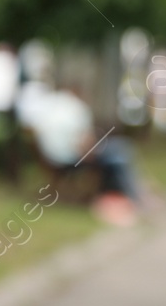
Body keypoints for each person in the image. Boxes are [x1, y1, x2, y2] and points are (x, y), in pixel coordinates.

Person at [17, 80, 150, 226]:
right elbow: (84, 145)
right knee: (119, 152)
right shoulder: (76, 109)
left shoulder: (50, 108)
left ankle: (132, 193)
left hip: (52, 159)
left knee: (116, 155)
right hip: (74, 160)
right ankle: (133, 196)